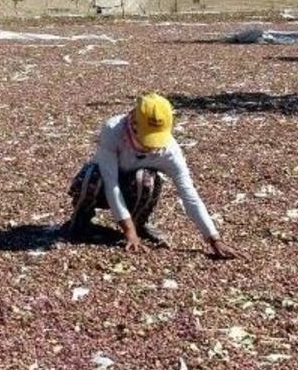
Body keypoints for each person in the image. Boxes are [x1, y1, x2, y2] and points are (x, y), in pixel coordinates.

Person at [62, 92, 241, 259]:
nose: (151, 146)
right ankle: (81, 221)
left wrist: (213, 238)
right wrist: (128, 233)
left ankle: (139, 223)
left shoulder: (170, 151)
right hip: (103, 186)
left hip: (135, 190)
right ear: (133, 121)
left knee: (146, 179)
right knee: (90, 176)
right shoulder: (113, 130)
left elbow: (189, 195)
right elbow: (111, 183)